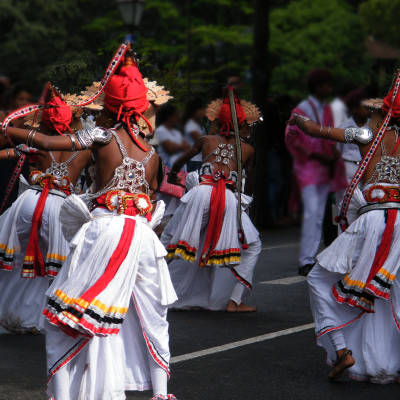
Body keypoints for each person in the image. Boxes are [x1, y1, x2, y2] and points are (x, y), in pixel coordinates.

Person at [1, 47, 178, 400]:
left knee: (61, 317)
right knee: (152, 315)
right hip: (143, 236)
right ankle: (161, 393)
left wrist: (10, 129)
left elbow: (50, 141)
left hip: (105, 232)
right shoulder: (152, 153)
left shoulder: (100, 137)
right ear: (143, 108)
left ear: (108, 106)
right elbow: (154, 199)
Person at [288, 78, 400, 383]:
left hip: (373, 219)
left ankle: (341, 351)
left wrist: (299, 119)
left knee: (318, 278)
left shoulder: (368, 134)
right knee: (391, 292)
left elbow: (314, 131)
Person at [0, 85, 92, 333]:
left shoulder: (37, 140)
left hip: (28, 202)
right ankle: (42, 317)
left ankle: (11, 310)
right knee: (55, 269)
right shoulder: (86, 148)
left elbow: (7, 151)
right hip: (61, 208)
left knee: (18, 260)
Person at [161, 88, 262, 312]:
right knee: (252, 245)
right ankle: (234, 302)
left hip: (199, 194)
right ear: (245, 123)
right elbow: (252, 184)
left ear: (216, 120)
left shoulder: (205, 140)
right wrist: (243, 198)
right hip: (228, 199)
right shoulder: (248, 149)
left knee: (170, 239)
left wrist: (171, 176)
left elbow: (179, 163)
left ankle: (153, 291)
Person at [285, 68, 347, 276]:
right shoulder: (302, 109)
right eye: (327, 84)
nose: (330, 88)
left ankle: (340, 255)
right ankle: (306, 260)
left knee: (340, 211)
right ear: (318, 86)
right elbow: (291, 137)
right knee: (314, 213)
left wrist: (335, 154)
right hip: (312, 168)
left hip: (333, 166)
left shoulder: (329, 109)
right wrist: (316, 155)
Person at [0, 82, 33, 212]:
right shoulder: (3, 116)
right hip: (3, 163)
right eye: (21, 99)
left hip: (20, 167)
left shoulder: (32, 121)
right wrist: (19, 127)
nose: (24, 103)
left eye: (28, 100)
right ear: (13, 99)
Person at [156, 104, 190, 217]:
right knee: (163, 196)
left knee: (176, 197)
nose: (177, 118)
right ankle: (158, 222)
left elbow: (187, 147)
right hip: (166, 169)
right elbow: (170, 148)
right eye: (175, 115)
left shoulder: (175, 132)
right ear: (169, 117)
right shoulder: (161, 130)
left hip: (178, 169)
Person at [182, 97, 206, 172]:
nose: (203, 112)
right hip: (194, 160)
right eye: (201, 110)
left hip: (199, 160)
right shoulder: (190, 125)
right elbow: (202, 142)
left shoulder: (198, 124)